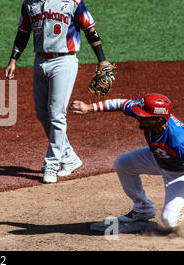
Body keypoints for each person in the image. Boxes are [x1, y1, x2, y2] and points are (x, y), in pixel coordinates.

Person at [4, 0, 114, 183]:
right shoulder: (30, 2)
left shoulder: (72, 0)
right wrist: (13, 60)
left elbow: (90, 30)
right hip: (39, 62)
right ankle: (70, 157)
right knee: (43, 114)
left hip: (64, 62)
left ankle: (51, 165)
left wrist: (102, 60)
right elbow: (23, 32)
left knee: (56, 114)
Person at [70, 93, 184, 230]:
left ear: (159, 120)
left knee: (169, 222)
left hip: (178, 174)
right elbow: (121, 103)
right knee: (123, 164)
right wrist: (89, 107)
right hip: (158, 158)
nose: (139, 117)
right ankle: (142, 210)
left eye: (144, 117)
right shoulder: (149, 113)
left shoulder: (179, 141)